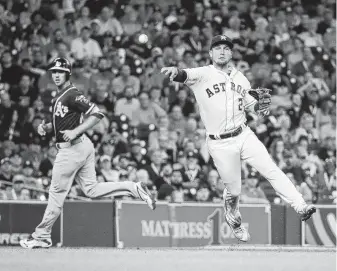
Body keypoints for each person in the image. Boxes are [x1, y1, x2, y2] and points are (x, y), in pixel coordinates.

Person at [160, 35, 316, 242]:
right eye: (218, 48)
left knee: (271, 169)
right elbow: (184, 74)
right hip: (219, 143)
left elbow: (253, 106)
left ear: (231, 53)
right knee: (234, 191)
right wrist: (175, 71)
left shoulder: (241, 78)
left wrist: (262, 106)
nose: (222, 51)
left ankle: (300, 206)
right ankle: (233, 218)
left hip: (243, 134)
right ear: (210, 53)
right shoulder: (203, 74)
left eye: (226, 48)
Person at [20, 57, 155, 249]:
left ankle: (42, 236)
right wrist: (48, 127)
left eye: (60, 72)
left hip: (72, 149)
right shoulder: (60, 95)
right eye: (54, 72)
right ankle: (134, 188)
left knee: (56, 193)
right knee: (91, 190)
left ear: (68, 73)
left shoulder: (71, 94)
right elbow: (63, 120)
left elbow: (97, 113)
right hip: (81, 146)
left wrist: (75, 131)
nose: (56, 75)